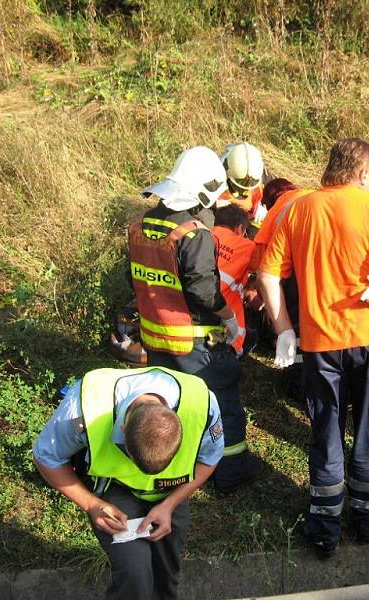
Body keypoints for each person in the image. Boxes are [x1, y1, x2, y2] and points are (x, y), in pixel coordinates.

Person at [257, 138, 369, 559]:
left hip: (321, 342)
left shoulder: (298, 208)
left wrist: (284, 330)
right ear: (361, 173)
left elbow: (267, 277)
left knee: (327, 430)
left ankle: (324, 530)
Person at [33, 366, 224, 600]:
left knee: (165, 576)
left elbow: (209, 459)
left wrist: (170, 504)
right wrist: (92, 504)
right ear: (123, 429)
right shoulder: (84, 405)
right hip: (116, 491)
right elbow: (46, 456)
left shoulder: (201, 404)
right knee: (135, 576)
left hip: (172, 493)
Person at [128, 146, 255, 494]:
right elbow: (202, 290)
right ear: (200, 192)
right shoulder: (191, 234)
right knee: (222, 405)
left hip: (155, 338)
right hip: (194, 342)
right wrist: (228, 317)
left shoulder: (139, 226)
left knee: (171, 408)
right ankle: (230, 476)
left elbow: (135, 279)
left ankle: (175, 469)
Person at [211, 204, 256, 356]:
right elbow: (267, 271)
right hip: (223, 320)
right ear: (240, 229)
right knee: (252, 336)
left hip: (187, 313)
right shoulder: (247, 246)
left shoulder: (201, 234)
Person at [218, 142, 267, 233]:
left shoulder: (255, 174)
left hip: (246, 222)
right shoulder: (216, 174)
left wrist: (263, 205)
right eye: (241, 184)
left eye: (250, 185)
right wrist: (214, 204)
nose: (246, 190)